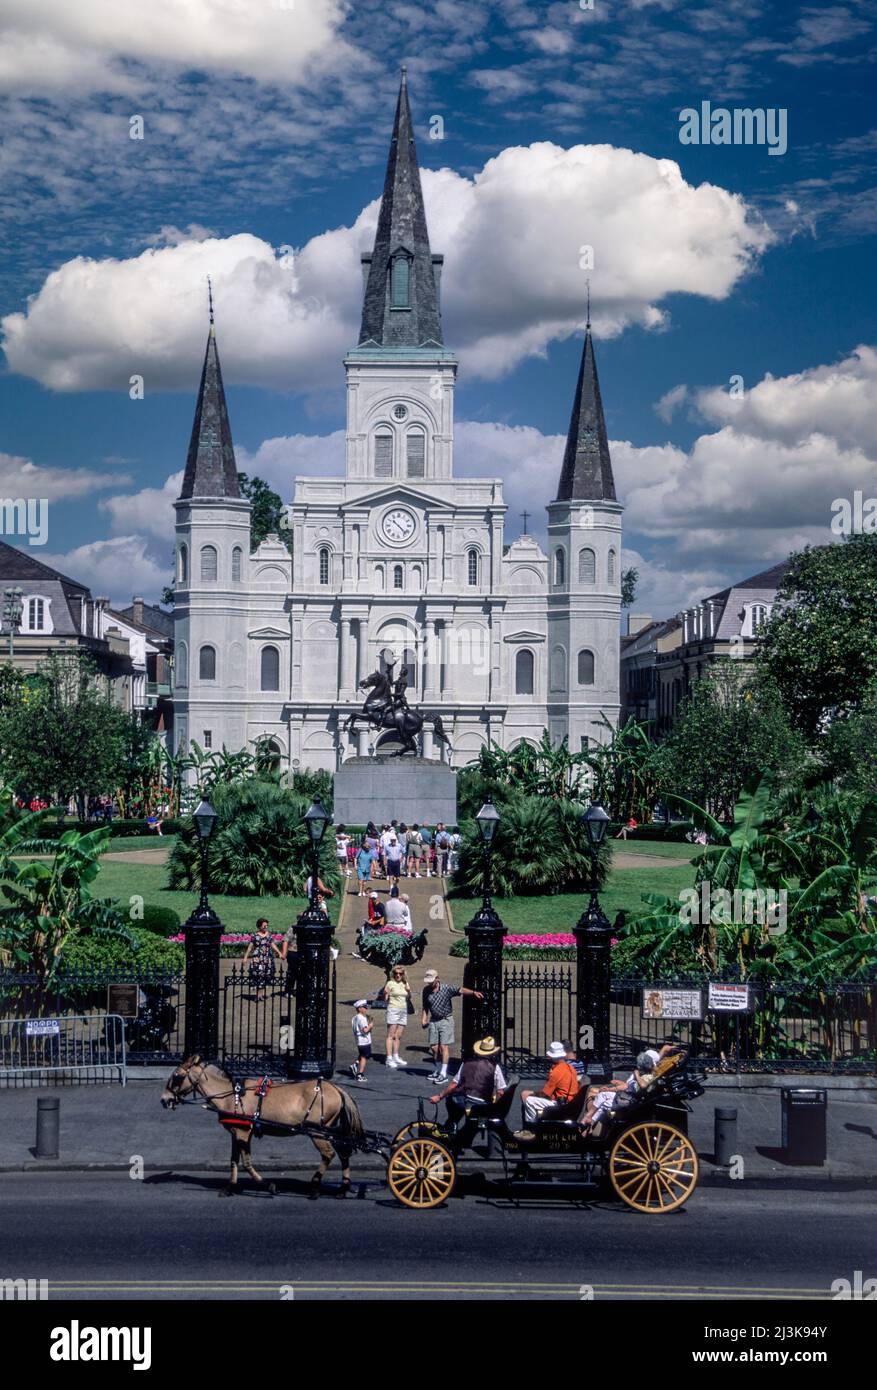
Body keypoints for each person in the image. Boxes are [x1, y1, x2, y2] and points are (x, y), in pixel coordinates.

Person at [421, 970, 484, 1084]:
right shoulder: (426, 990)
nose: (429, 983)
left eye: (431, 981)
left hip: (446, 1020)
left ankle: (444, 1074)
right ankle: (438, 1070)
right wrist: (423, 1019)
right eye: (428, 981)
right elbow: (425, 1006)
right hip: (434, 1020)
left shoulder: (446, 988)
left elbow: (460, 989)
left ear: (437, 978)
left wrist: (473, 992)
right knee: (434, 1047)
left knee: (443, 1047)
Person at [429, 1036, 507, 1121]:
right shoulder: (495, 1067)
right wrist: (494, 1106)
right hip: (482, 1102)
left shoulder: (466, 1062)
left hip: (463, 1099)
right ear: (492, 1053)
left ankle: (452, 1124)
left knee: (451, 1101)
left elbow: (454, 1085)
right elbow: (500, 1092)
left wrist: (439, 1096)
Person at [519, 1040, 580, 1129]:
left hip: (560, 1104)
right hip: (570, 1101)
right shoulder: (571, 1068)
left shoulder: (556, 1071)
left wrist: (531, 1094)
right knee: (527, 1095)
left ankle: (530, 1128)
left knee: (529, 1101)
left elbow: (545, 1094)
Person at [242, 918, 282, 1000]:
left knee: (265, 976)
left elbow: (273, 945)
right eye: (264, 926)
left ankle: (261, 995)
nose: (266, 927)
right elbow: (250, 948)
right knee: (258, 976)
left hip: (267, 959)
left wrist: (279, 953)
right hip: (257, 959)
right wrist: (245, 958)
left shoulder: (268, 935)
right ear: (259, 926)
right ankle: (258, 995)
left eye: (267, 926)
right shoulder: (255, 936)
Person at [381, 966, 412, 1067]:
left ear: (403, 974)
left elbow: (408, 997)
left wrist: (408, 991)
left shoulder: (405, 983)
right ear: (393, 974)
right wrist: (385, 994)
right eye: (396, 973)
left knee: (398, 1036)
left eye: (400, 973)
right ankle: (389, 1059)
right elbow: (385, 999)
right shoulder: (390, 983)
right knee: (390, 1035)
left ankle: (395, 1056)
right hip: (393, 1009)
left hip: (403, 1010)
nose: (398, 975)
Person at [350, 999, 373, 1082]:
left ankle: (355, 1064)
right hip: (364, 1041)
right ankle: (360, 1074)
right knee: (364, 1057)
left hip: (359, 1040)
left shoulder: (354, 1018)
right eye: (364, 1007)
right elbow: (365, 1030)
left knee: (362, 1054)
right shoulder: (362, 1019)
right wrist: (370, 1025)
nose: (366, 1009)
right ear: (359, 1008)